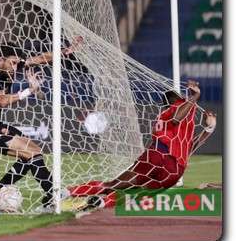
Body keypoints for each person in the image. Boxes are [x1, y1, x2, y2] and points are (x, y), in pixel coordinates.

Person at [66, 80, 216, 210]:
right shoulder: (180, 108)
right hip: (174, 169)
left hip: (157, 156)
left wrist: (209, 128)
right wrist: (194, 97)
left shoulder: (170, 119)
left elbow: (189, 144)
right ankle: (102, 202)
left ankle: (69, 192)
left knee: (115, 184)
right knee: (138, 194)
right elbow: (177, 117)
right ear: (174, 101)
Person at [0, 43, 62, 210]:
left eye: (17, 63)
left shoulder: (10, 66)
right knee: (31, 151)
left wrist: (64, 52)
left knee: (33, 151)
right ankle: (54, 198)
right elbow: (1, 101)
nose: (15, 67)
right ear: (0, 59)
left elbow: (39, 59)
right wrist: (29, 91)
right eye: (12, 63)